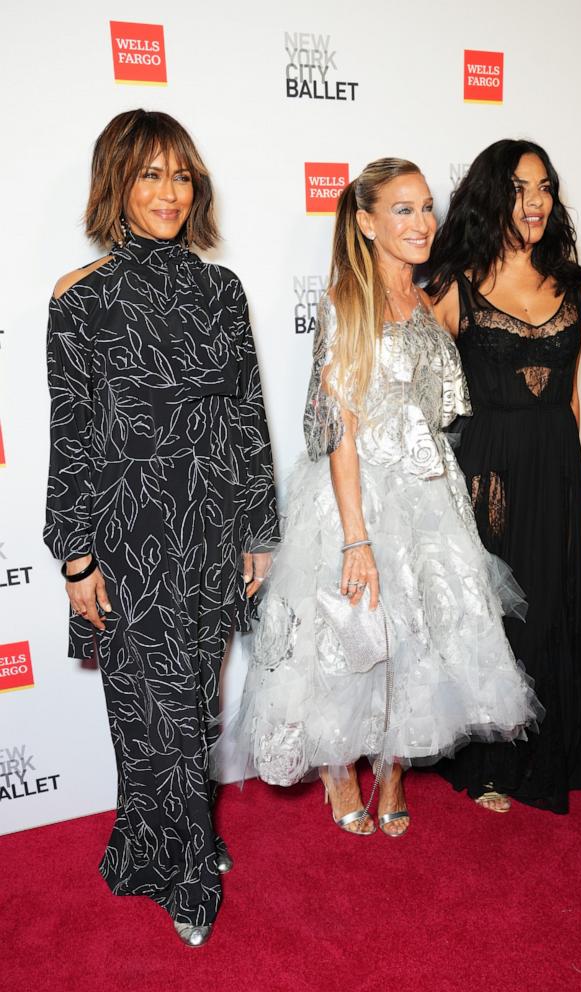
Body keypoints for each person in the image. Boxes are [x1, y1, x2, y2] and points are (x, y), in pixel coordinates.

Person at [212, 158, 542, 836]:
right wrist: (356, 537)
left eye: (426, 207)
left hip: (428, 495)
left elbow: (441, 413)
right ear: (365, 221)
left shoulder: (429, 303)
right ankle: (339, 773)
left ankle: (393, 769)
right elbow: (339, 428)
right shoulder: (344, 304)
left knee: (416, 635)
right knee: (347, 639)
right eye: (402, 209)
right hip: (353, 495)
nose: (422, 222)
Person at [44, 109, 278, 946]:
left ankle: (172, 838)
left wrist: (257, 529)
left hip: (210, 528)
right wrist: (74, 557)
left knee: (192, 707)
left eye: (182, 175)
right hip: (125, 535)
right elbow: (71, 431)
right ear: (117, 183)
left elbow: (246, 417)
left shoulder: (222, 290)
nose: (170, 192)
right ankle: (181, 874)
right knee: (145, 712)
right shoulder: (81, 297)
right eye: (150, 174)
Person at [427, 139, 581, 814]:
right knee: (500, 616)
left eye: (544, 188)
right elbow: (416, 392)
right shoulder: (453, 289)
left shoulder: (574, 282)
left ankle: (554, 745)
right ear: (489, 196)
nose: (535, 203)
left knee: (556, 602)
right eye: (518, 189)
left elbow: (568, 397)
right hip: (490, 471)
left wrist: (574, 471)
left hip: (556, 464)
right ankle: (492, 763)